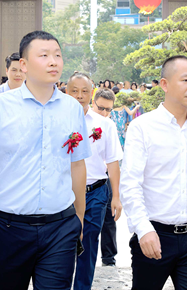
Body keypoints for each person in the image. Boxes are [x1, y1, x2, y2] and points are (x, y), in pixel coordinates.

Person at [0, 31, 91, 290]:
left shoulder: (72, 108)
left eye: (58, 55)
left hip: (60, 227)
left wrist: (79, 218)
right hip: (8, 228)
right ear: (24, 65)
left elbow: (77, 164)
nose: (54, 62)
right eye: (44, 55)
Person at [120, 55, 187, 290]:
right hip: (155, 234)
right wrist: (143, 229)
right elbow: (130, 183)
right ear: (164, 84)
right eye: (185, 80)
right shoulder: (143, 127)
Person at [67, 74, 123, 290]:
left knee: (89, 242)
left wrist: (115, 196)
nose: (79, 95)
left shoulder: (104, 124)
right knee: (61, 244)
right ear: (67, 92)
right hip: (65, 192)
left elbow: (112, 161)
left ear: (91, 93)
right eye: (74, 90)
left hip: (96, 192)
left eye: (84, 91)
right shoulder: (57, 121)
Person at [93, 88, 122, 267]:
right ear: (93, 102)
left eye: (108, 110)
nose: (104, 113)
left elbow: (115, 160)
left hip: (106, 179)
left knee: (109, 221)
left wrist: (117, 195)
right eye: (101, 108)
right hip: (87, 181)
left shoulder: (109, 125)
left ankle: (109, 258)